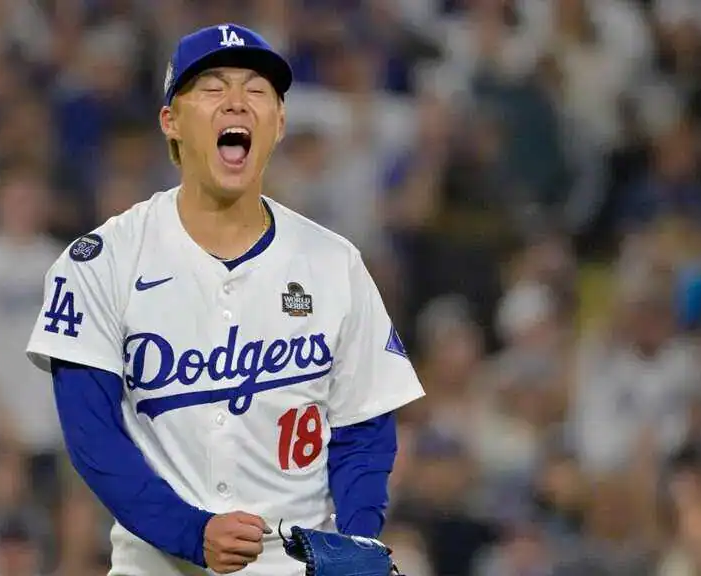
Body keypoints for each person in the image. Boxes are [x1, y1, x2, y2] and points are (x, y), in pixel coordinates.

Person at [25, 23, 424, 575]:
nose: (237, 101)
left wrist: (357, 539)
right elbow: (94, 439)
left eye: (258, 91)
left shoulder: (335, 263)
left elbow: (363, 428)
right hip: (158, 564)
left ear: (279, 123)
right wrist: (190, 532)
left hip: (298, 561)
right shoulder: (101, 260)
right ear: (171, 121)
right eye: (212, 88)